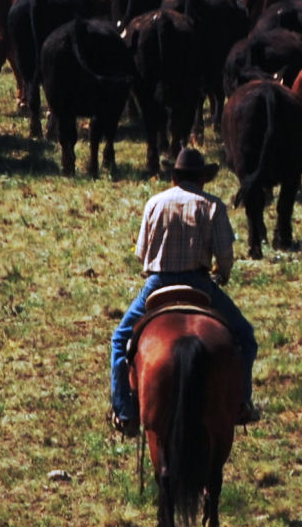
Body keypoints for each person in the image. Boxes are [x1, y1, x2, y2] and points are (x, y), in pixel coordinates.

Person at [110, 147, 261, 435]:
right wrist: (223, 273)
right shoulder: (213, 205)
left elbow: (142, 254)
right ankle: (242, 401)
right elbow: (225, 255)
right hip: (199, 283)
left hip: (158, 283)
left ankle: (125, 412)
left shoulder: (154, 203)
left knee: (119, 341)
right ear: (203, 179)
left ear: (174, 177)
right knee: (245, 336)